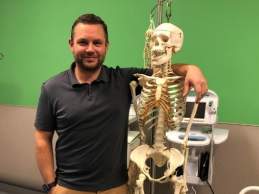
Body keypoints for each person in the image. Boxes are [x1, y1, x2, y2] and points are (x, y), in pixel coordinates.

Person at [34, 13, 208, 194]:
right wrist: (50, 186)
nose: (90, 49)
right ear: (71, 44)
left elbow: (162, 71)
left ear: (106, 46)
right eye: (83, 42)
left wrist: (191, 69)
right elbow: (42, 140)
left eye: (97, 43)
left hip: (115, 188)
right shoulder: (52, 88)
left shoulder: (123, 79)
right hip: (69, 188)